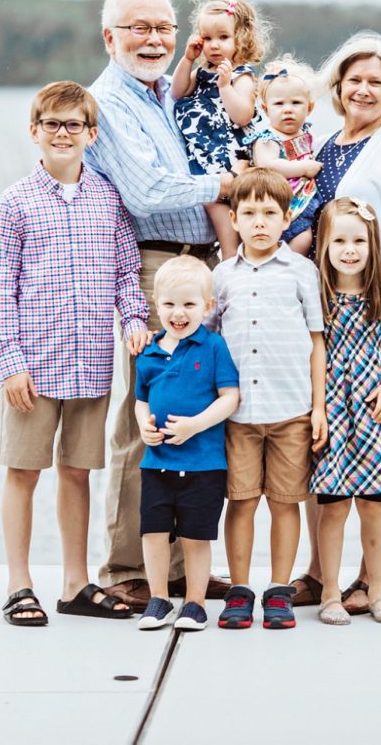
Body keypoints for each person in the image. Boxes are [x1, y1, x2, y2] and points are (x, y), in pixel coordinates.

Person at [85, 0, 234, 613]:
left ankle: (177, 571)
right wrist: (234, 182)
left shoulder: (157, 94)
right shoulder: (108, 100)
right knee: (142, 417)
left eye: (163, 27)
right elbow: (148, 191)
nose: (152, 38)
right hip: (152, 266)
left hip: (201, 267)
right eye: (138, 27)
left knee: (189, 412)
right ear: (109, 36)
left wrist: (191, 65)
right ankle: (125, 567)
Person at [0, 81, 149, 626]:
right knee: (23, 471)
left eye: (73, 124)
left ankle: (76, 583)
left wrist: (134, 320)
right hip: (32, 369)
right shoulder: (15, 202)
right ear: (34, 132)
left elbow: (128, 271)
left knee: (78, 472)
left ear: (91, 133)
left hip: (91, 364)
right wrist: (11, 364)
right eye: (52, 124)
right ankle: (18, 584)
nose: (63, 133)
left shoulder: (108, 197)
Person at [291, 31, 381, 615]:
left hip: (379, 320)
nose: (364, 89)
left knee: (376, 457)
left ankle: (375, 582)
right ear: (339, 86)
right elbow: (306, 228)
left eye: (376, 81)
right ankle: (321, 574)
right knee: (322, 450)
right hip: (325, 317)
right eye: (355, 80)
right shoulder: (327, 143)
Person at [205, 168, 328, 630]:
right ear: (233, 219)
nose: (260, 222)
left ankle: (278, 589)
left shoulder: (302, 272)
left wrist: (318, 408)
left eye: (270, 214)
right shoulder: (221, 276)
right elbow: (212, 342)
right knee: (240, 501)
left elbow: (316, 341)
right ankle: (240, 588)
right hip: (237, 414)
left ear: (285, 218)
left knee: (285, 500)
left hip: (291, 409)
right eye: (250, 213)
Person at [311, 198, 381, 625]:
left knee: (374, 503)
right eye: (339, 241)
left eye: (358, 241)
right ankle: (330, 593)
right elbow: (313, 352)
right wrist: (317, 408)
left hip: (374, 412)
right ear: (324, 246)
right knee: (333, 505)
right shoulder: (318, 296)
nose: (349, 250)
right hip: (333, 409)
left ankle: (377, 589)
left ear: (373, 245)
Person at [134, 257, 239, 632]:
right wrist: (143, 424)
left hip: (203, 464)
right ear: (156, 304)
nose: (179, 313)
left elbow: (230, 397)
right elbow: (141, 398)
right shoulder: (148, 351)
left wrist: (196, 425)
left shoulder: (213, 347)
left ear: (207, 307)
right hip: (156, 462)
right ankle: (158, 598)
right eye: (170, 304)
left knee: (196, 535)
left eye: (189, 304)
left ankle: (194, 603)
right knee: (154, 532)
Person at [171, 0, 271, 258]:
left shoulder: (241, 76)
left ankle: (232, 265)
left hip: (230, 161)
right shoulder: (202, 73)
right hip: (204, 160)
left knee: (231, 228)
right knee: (216, 212)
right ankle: (229, 263)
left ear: (241, 38)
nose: (214, 45)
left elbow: (242, 116)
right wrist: (188, 60)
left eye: (223, 38)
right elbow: (177, 92)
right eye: (207, 38)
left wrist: (225, 86)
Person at [244, 55, 322, 255]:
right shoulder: (268, 138)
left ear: (310, 108)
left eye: (296, 103)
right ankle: (277, 265)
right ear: (266, 109)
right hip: (273, 206)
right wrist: (303, 168)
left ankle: (290, 268)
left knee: (305, 238)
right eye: (279, 104)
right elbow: (267, 165)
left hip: (301, 203)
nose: (288, 109)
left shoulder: (306, 134)